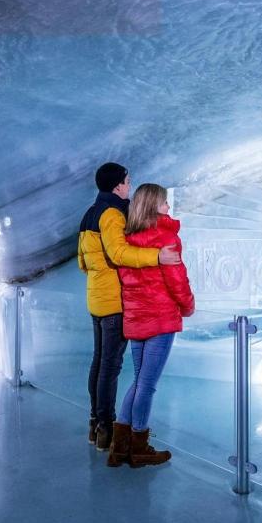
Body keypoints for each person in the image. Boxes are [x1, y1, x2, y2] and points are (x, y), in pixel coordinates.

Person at [78, 163, 181, 451]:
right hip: (113, 300)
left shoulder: (90, 213)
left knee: (99, 363)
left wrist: (100, 276)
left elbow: (82, 261)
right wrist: (156, 257)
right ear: (117, 186)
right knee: (110, 367)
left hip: (96, 298)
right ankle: (107, 428)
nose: (129, 186)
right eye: (127, 182)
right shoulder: (111, 214)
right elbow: (119, 253)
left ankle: (95, 424)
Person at [107, 183, 195, 468]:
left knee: (138, 381)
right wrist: (188, 305)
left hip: (136, 320)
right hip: (161, 318)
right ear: (154, 205)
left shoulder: (127, 239)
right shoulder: (166, 236)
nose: (168, 208)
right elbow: (177, 279)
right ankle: (139, 448)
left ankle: (119, 448)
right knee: (147, 385)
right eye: (164, 203)